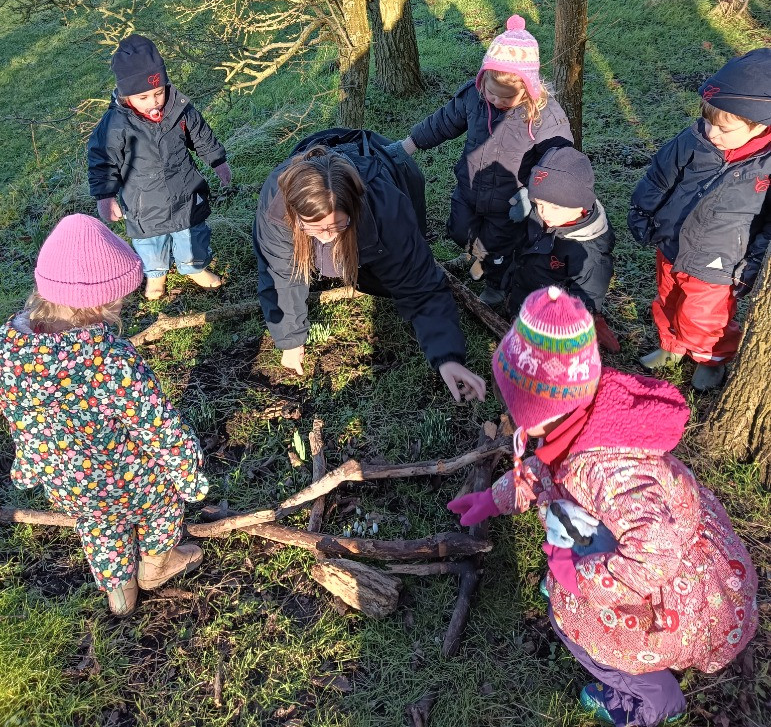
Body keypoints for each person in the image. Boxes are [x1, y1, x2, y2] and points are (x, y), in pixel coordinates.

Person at [448, 286, 758, 727]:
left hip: (671, 593)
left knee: (577, 630)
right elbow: (545, 471)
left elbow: (653, 556)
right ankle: (584, 594)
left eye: (517, 410)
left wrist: (579, 579)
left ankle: (654, 700)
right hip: (642, 553)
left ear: (540, 412)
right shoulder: (582, 420)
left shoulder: (610, 470)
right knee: (569, 577)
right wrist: (493, 499)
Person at [0, 214, 208, 616]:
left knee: (99, 529)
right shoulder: (110, 360)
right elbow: (158, 426)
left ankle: (120, 597)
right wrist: (187, 474)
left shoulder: (8, 345)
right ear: (102, 301)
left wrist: (28, 464)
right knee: (161, 507)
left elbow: (16, 412)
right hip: (131, 479)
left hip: (66, 483)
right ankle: (156, 566)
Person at [252, 138, 486, 403]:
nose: (327, 237)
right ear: (295, 216)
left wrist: (447, 357)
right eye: (316, 229)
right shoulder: (277, 208)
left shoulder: (386, 208)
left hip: (396, 173)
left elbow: (419, 283)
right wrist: (290, 340)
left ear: (354, 210)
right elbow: (280, 275)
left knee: (388, 281)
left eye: (337, 226)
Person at [394, 14, 572, 307]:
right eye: (492, 93)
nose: (497, 101)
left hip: (510, 202)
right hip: (470, 188)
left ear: (529, 89)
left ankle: (495, 285)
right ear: (483, 78)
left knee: (499, 247)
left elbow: (557, 160)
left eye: (507, 98)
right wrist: (408, 145)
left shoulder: (545, 116)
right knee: (458, 228)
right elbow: (443, 122)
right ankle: (474, 254)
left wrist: (532, 193)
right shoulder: (474, 98)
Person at [628, 48, 771, 390]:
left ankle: (712, 358)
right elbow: (660, 177)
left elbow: (766, 227)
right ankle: (672, 346)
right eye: (708, 121)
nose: (712, 132)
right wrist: (643, 212)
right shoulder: (693, 141)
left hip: (720, 262)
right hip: (673, 242)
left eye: (724, 128)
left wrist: (751, 265)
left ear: (761, 124)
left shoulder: (766, 167)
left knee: (706, 317)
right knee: (667, 299)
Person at [88, 33, 232, 300]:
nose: (154, 102)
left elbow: (201, 135)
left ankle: (194, 267)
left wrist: (218, 161)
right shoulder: (115, 125)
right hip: (143, 199)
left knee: (192, 233)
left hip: (185, 189)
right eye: (143, 97)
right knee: (149, 241)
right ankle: (156, 274)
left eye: (158, 92)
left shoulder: (180, 110)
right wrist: (105, 196)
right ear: (125, 95)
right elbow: (102, 160)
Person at [505, 146, 618, 351]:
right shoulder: (547, 215)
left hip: (551, 312)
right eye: (538, 203)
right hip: (525, 289)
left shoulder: (589, 253)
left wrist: (575, 324)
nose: (543, 212)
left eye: (554, 206)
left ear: (579, 205)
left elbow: (586, 296)